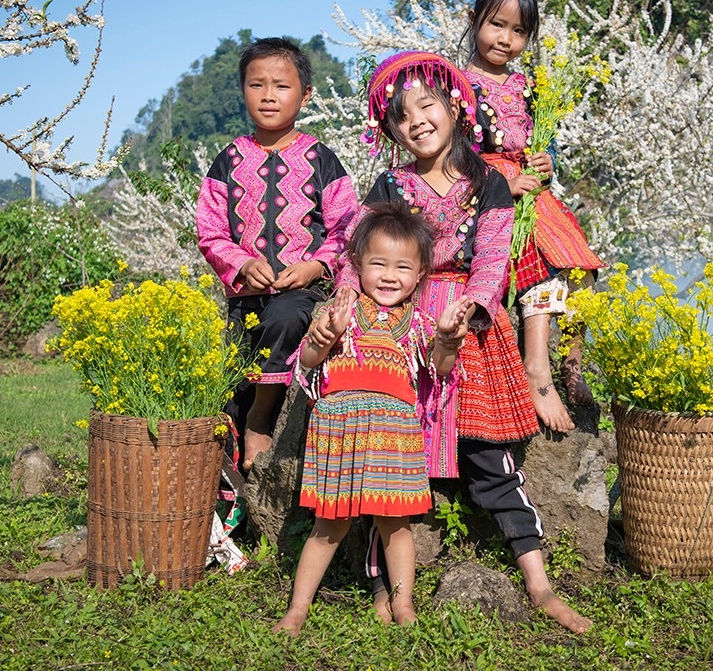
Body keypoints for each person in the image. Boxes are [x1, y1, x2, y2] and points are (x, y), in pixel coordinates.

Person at [350, 50, 592, 634]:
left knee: (492, 462)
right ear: (389, 129)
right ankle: (384, 583)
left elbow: (491, 257)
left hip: (473, 330)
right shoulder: (390, 185)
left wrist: (474, 307)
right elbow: (362, 251)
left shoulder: (488, 182)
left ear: (456, 108)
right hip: (403, 328)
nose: (417, 122)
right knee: (389, 462)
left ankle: (539, 582)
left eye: (427, 106)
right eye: (401, 116)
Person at [275, 203, 474, 636]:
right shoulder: (339, 313)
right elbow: (307, 361)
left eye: (403, 267)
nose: (389, 275)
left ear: (420, 274)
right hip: (339, 430)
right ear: (358, 265)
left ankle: (403, 603)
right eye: (378, 263)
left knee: (396, 524)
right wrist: (323, 338)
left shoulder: (418, 323)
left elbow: (438, 368)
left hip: (393, 434)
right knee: (330, 524)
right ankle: (297, 609)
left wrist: (449, 340)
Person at [197, 36, 359, 473]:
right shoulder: (228, 160)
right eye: (257, 84)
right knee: (226, 382)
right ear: (242, 90)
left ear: (305, 95)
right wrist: (243, 264)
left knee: (285, 321)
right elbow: (210, 232)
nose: (269, 95)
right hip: (245, 296)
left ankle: (262, 420)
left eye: (282, 86)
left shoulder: (321, 158)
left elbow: (347, 227)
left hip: (302, 293)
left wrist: (315, 265)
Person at [461, 0, 606, 431]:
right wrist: (503, 179)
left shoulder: (530, 86)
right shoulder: (456, 87)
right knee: (534, 256)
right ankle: (537, 370)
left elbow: (547, 143)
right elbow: (451, 154)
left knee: (582, 263)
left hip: (534, 194)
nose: (506, 39)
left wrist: (547, 161)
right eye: (496, 25)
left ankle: (572, 364)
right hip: (484, 198)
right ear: (473, 21)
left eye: (519, 31)